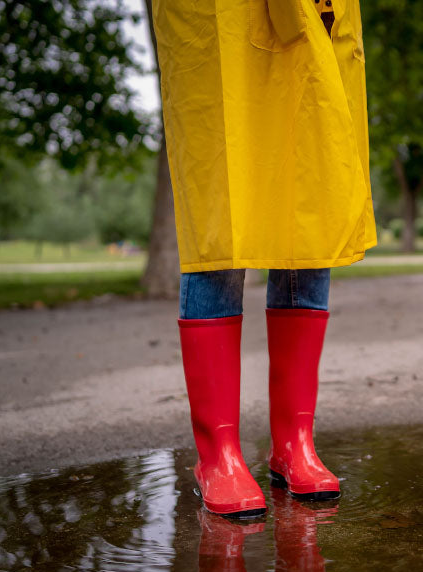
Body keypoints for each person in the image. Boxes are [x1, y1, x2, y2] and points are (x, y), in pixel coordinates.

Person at [152, 0, 375, 518]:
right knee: (219, 221)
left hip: (312, 20)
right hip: (217, 20)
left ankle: (294, 442)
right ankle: (218, 456)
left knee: (307, 208)